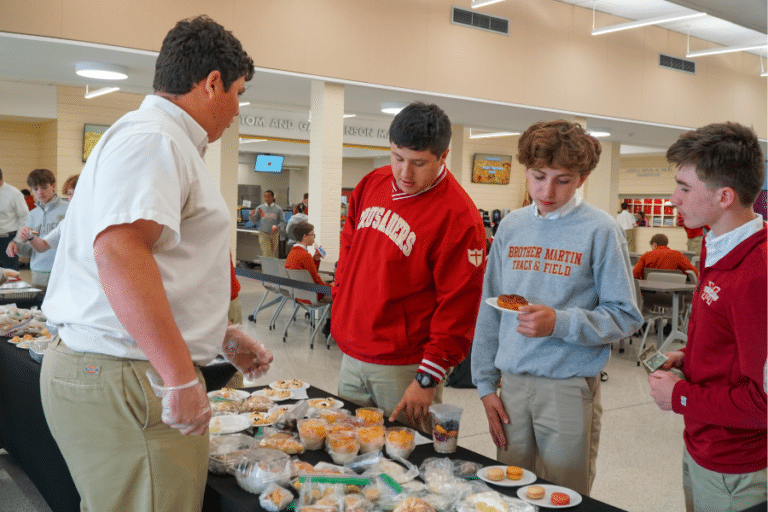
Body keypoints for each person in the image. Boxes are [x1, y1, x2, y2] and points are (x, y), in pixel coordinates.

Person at [38, 16, 272, 512]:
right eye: (238, 92)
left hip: (120, 365)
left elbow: (163, 262)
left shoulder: (160, 139)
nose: (237, 109)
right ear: (211, 84)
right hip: (128, 370)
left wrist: (219, 335)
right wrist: (180, 376)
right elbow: (121, 253)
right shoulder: (156, 139)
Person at [471, 120, 643, 497]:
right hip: (511, 385)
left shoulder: (600, 229)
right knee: (507, 490)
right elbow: (490, 310)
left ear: (581, 178)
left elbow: (627, 315)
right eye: (538, 177)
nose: (546, 190)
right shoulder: (512, 226)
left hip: (567, 387)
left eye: (562, 180)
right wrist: (484, 385)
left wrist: (560, 323)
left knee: (565, 494)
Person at [331, 102, 487, 430]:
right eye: (397, 157)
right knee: (345, 451)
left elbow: (458, 308)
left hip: (404, 365)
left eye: (418, 163)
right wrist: (342, 297)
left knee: (405, 464)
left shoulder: (459, 217)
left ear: (443, 156)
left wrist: (428, 378)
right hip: (352, 351)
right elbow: (349, 248)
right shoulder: (371, 183)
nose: (404, 173)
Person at [648, 122, 766, 512]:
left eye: (684, 188)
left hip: (737, 467)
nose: (673, 199)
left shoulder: (757, 273)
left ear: (724, 196)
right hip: (703, 444)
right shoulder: (717, 247)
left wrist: (680, 395)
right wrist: (693, 360)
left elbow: (763, 401)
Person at [5, 168, 68, 290]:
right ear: (31, 190)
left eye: (44, 187)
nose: (40, 192)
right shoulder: (32, 215)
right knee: (40, 307)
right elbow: (29, 249)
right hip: (39, 271)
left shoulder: (68, 209)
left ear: (53, 186)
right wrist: (16, 246)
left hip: (64, 269)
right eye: (35, 189)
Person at [17, 174, 79, 256]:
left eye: (78, 192)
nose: (40, 192)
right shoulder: (65, 223)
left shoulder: (96, 220)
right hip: (46, 266)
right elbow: (43, 245)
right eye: (69, 194)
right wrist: (29, 236)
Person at [285, 221, 331, 303]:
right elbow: (316, 283)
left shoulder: (292, 254)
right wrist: (332, 287)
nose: (314, 237)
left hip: (299, 295)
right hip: (311, 296)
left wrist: (315, 260)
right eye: (312, 234)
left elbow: (309, 276)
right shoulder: (305, 256)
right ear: (304, 236)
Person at [632, 233, 699, 279]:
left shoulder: (645, 256)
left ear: (654, 244)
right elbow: (694, 272)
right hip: (674, 295)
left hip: (649, 295)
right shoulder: (677, 255)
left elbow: (634, 275)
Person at [0, 168, 30, 270]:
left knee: (9, 277)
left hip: (7, 240)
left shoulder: (14, 194)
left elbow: (25, 218)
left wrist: (17, 241)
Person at [250, 190, 285, 258]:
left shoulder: (278, 209)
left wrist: (277, 227)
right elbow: (254, 221)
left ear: (272, 197)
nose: (266, 199)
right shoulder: (260, 208)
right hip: (263, 233)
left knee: (272, 253)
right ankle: (267, 268)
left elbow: (283, 222)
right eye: (265, 197)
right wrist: (252, 217)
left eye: (268, 197)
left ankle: (270, 268)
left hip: (274, 234)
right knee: (267, 252)